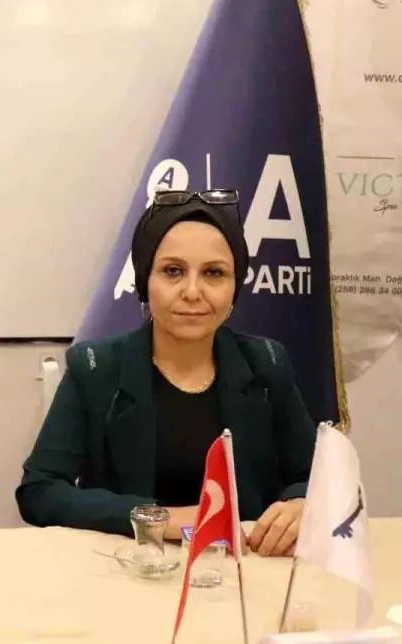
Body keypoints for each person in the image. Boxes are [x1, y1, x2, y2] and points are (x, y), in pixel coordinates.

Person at [16, 190, 314, 557]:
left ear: (235, 286)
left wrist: (301, 504)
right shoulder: (95, 368)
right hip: (131, 567)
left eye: (214, 273)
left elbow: (313, 478)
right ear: (145, 280)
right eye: (173, 271)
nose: (192, 291)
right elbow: (40, 491)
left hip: (243, 569)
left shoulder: (266, 363)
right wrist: (163, 519)